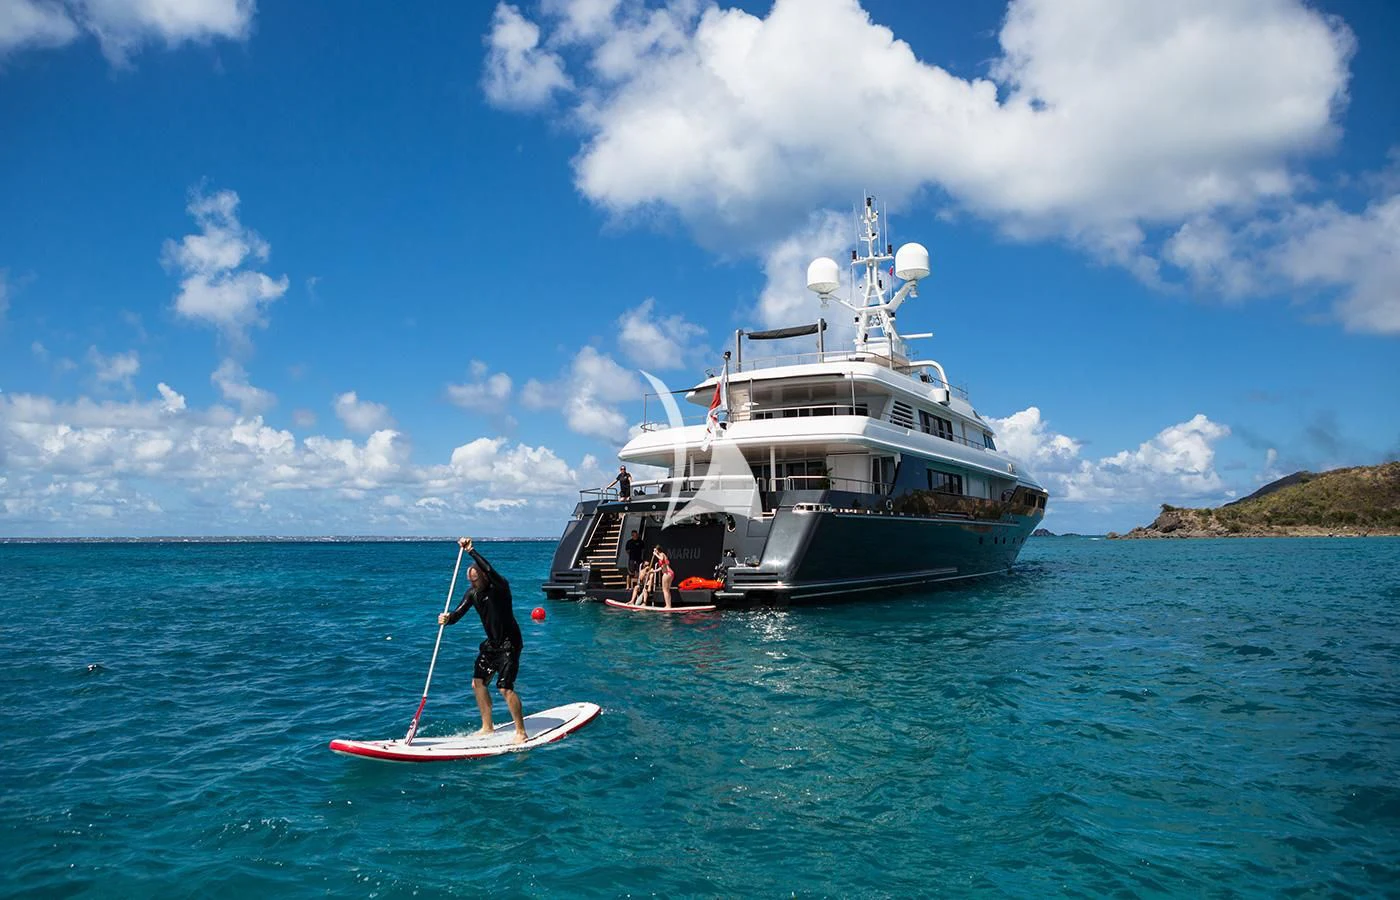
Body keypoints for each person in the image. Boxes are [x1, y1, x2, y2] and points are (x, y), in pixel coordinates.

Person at [438, 537, 526, 744]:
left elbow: (489, 568)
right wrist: (447, 619)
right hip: (492, 644)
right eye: (470, 580)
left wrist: (471, 550)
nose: (473, 583)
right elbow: (457, 615)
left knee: (505, 687)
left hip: (509, 643)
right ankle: (487, 727)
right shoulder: (473, 594)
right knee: (477, 683)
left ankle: (521, 732)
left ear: (484, 577)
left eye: (476, 579)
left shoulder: (501, 588)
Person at [651, 544, 675, 609]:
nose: (654, 551)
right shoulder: (662, 555)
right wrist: (654, 571)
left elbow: (661, 559)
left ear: (657, 550)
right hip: (670, 573)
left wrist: (655, 554)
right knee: (667, 590)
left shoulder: (661, 554)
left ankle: (667, 605)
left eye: (655, 550)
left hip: (667, 573)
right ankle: (669, 605)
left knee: (665, 590)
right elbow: (662, 567)